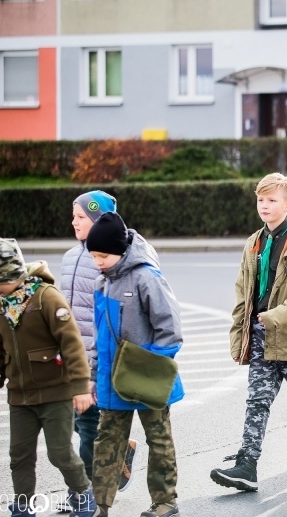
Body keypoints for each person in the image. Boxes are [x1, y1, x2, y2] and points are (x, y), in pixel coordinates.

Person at [210, 172, 287, 491]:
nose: (264, 206)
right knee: (257, 400)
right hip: (262, 334)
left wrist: (276, 315)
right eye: (260, 200)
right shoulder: (254, 241)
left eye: (272, 200)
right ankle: (247, 464)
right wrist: (241, 331)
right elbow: (243, 291)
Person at [0, 238, 97, 517]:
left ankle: (83, 495)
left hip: (56, 393)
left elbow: (71, 343)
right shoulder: (1, 304)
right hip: (21, 396)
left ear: (7, 274)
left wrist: (81, 387)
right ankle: (23, 506)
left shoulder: (46, 297)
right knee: (19, 456)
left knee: (59, 453)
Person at [86, 213, 184, 517]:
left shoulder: (146, 277)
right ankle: (99, 504)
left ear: (120, 250)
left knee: (159, 439)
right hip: (114, 378)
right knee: (107, 441)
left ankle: (165, 501)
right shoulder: (103, 282)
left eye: (103, 255)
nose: (98, 261)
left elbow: (170, 328)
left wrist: (151, 363)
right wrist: (92, 375)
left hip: (147, 375)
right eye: (94, 256)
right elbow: (100, 335)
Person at [61, 191, 139, 503]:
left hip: (97, 356)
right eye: (74, 215)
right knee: (72, 421)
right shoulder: (69, 257)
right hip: (69, 355)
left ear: (97, 219)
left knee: (90, 423)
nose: (74, 222)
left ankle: (87, 493)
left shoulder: (109, 258)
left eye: (81, 217)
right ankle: (121, 449)